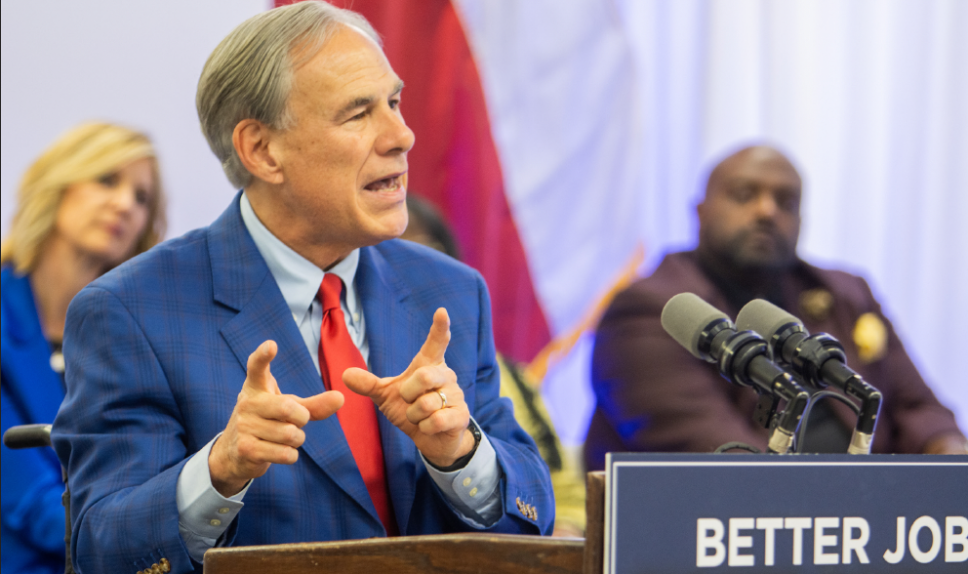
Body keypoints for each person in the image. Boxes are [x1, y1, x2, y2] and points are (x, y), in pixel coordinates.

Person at [52, 3, 554, 573]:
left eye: (393, 101)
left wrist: (459, 455)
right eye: (357, 114)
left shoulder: (451, 291)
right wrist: (219, 470)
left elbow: (529, 514)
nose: (402, 135)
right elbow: (101, 549)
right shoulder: (129, 310)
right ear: (262, 151)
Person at [585, 145, 968, 469]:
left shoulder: (845, 293)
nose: (767, 211)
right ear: (699, 212)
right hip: (722, 534)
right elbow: (727, 461)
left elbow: (919, 409)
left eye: (786, 201)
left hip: (866, 522)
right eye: (744, 194)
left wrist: (950, 458)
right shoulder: (654, 311)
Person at [1, 122, 167, 574]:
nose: (124, 205)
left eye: (141, 198)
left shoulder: (138, 334)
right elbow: (28, 503)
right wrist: (161, 539)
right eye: (107, 180)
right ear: (57, 184)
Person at [401, 195, 586, 537]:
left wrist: (563, 533)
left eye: (426, 251)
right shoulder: (352, 365)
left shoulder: (505, 373)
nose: (408, 271)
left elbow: (567, 494)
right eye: (390, 254)